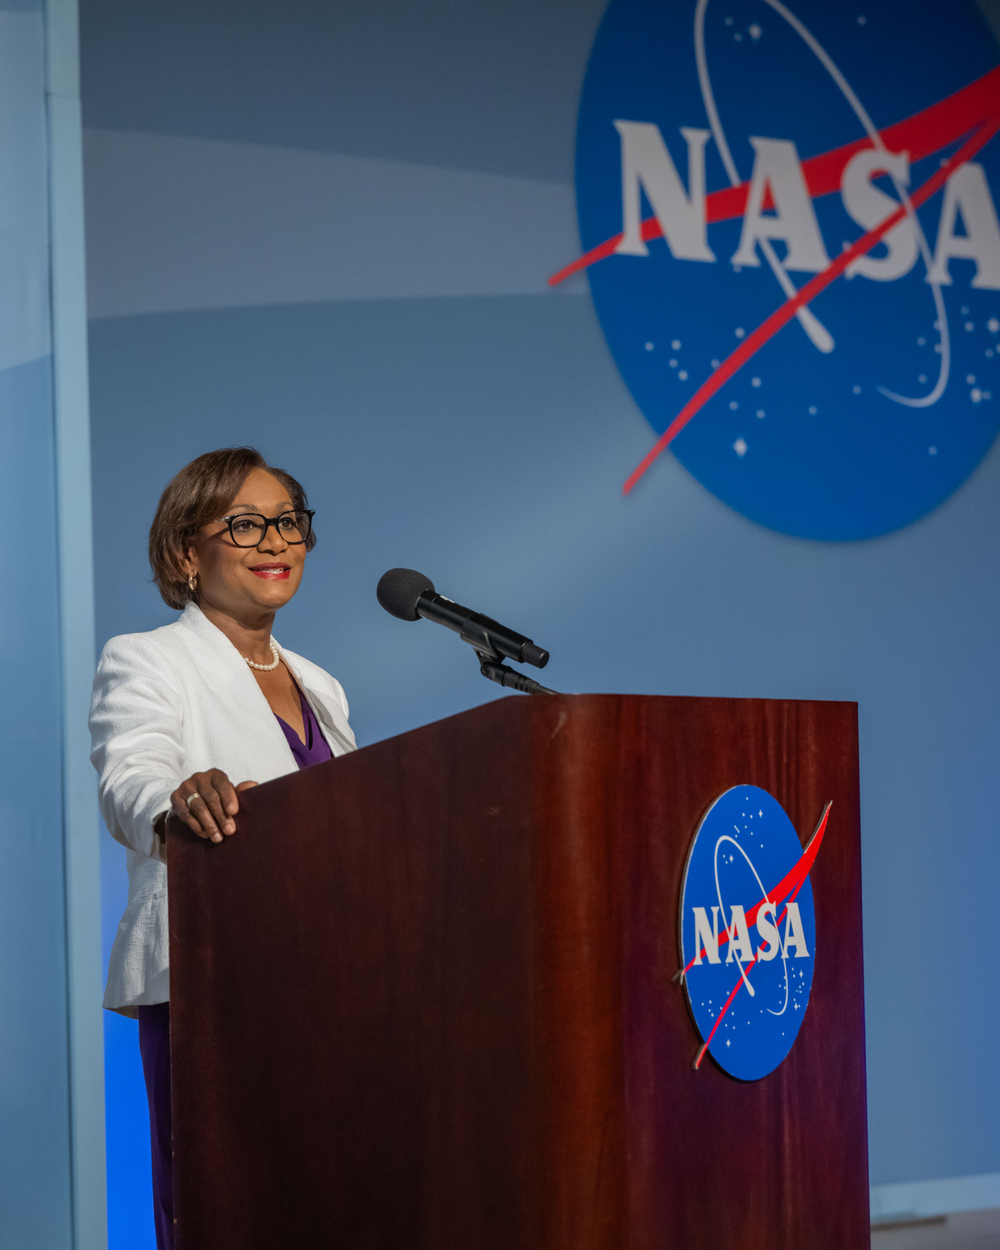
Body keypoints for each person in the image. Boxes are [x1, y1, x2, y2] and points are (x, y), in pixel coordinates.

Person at [89, 447, 356, 1250]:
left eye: (288, 522)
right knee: (225, 1210)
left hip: (335, 986)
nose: (275, 541)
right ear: (186, 553)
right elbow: (130, 774)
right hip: (215, 980)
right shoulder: (148, 660)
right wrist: (171, 809)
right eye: (246, 524)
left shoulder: (323, 685)